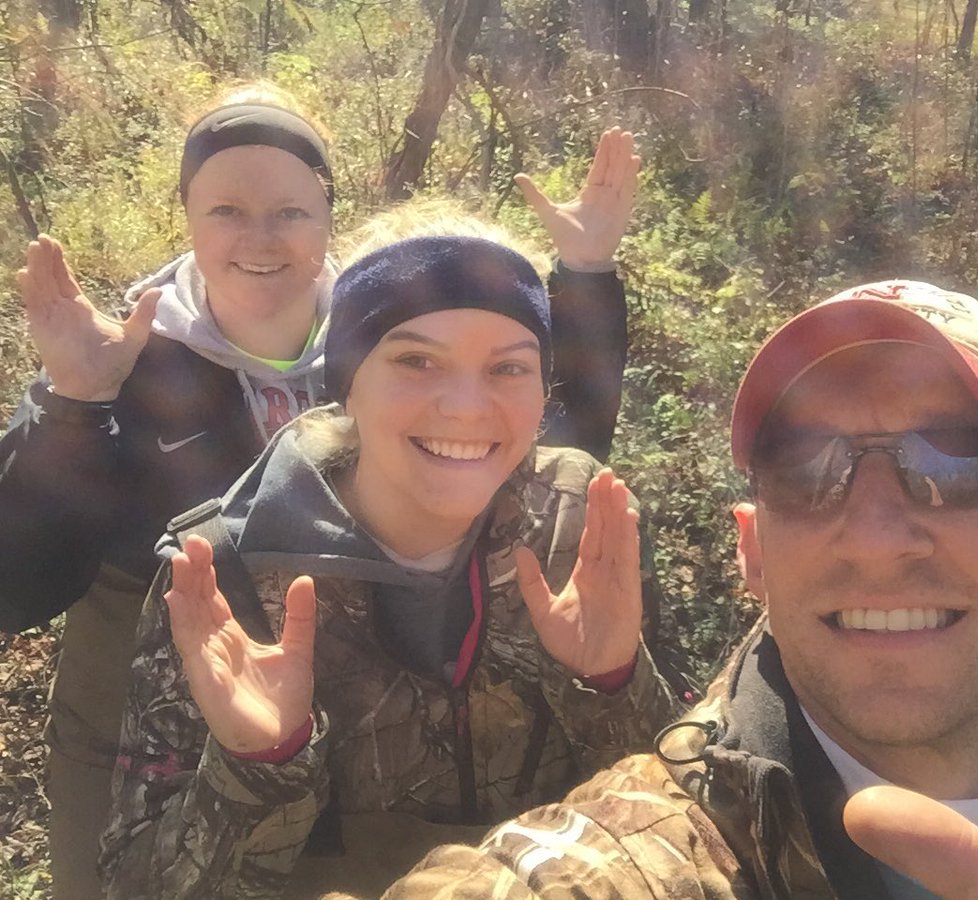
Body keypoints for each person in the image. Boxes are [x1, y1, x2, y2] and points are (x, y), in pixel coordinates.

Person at [0, 76, 642, 898]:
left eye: (290, 211)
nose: (259, 237)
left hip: (339, 694)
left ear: (329, 212)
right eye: (226, 209)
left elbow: (521, 453)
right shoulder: (122, 355)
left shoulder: (388, 328)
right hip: (142, 706)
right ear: (187, 216)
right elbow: (19, 587)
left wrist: (583, 278)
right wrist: (73, 407)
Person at [381, 279, 978, 899]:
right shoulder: (647, 853)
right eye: (807, 470)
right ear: (755, 554)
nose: (876, 538)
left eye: (959, 461)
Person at [96, 234, 684, 900]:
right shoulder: (223, 577)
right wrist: (258, 766)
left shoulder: (581, 522)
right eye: (416, 361)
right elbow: (133, 885)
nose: (466, 405)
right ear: (348, 386)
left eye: (509, 368)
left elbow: (688, 819)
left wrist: (613, 684)